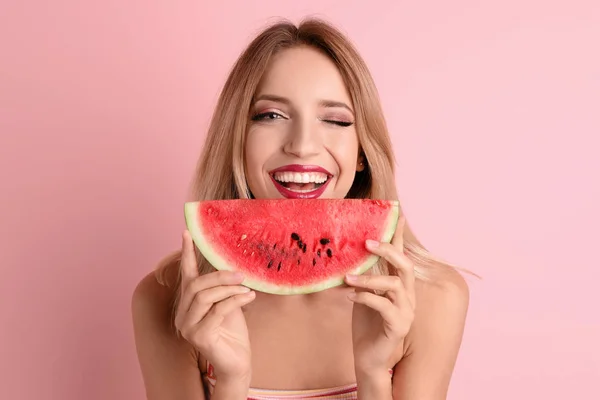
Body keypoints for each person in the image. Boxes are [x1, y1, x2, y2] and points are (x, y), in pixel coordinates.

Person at [131, 17, 471, 400]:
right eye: (271, 116)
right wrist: (231, 380)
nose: (303, 145)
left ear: (362, 152)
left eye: (336, 119)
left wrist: (374, 373)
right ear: (236, 140)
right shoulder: (169, 301)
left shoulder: (434, 298)